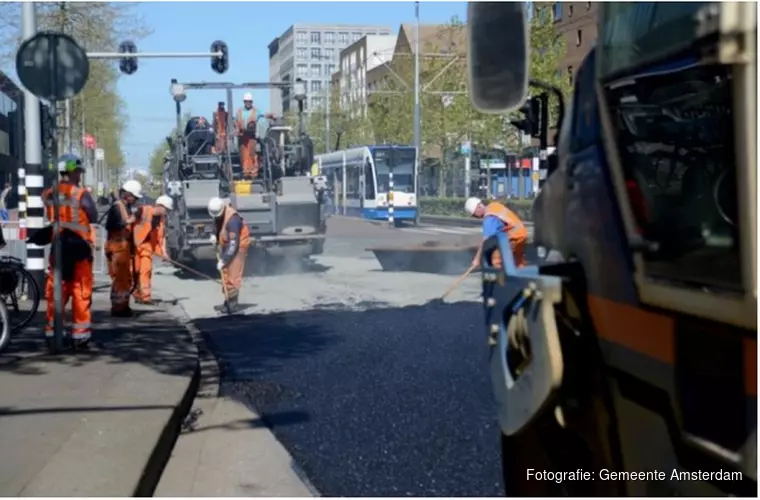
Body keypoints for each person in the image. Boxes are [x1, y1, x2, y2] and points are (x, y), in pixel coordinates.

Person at [40, 154, 98, 348]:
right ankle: (80, 335)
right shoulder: (81, 194)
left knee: (57, 289)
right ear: (72, 171)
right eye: (79, 171)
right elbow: (93, 215)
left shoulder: (49, 193)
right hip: (79, 248)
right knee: (81, 291)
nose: (80, 175)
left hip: (58, 247)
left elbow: (46, 207)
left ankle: (52, 330)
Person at [104, 179, 142, 316]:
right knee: (120, 279)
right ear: (127, 194)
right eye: (134, 197)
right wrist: (127, 221)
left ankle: (121, 305)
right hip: (117, 246)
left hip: (122, 246)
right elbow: (110, 225)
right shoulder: (117, 207)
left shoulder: (125, 207)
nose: (135, 200)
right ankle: (120, 308)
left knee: (124, 279)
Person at [207, 196, 251, 312]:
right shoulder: (221, 213)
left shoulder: (233, 220)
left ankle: (233, 304)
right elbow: (217, 223)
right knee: (226, 274)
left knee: (233, 275)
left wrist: (224, 260)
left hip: (238, 247)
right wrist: (214, 235)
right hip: (228, 246)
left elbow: (234, 244)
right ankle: (227, 302)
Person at [131, 194, 173, 304]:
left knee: (145, 270)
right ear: (160, 206)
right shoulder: (143, 211)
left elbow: (161, 237)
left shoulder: (161, 220)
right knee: (135, 271)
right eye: (167, 210)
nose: (167, 213)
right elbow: (129, 223)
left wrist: (164, 253)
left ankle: (145, 297)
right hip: (135, 246)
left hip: (147, 247)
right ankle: (137, 293)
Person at [465, 197, 528, 269]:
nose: (476, 217)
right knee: (517, 261)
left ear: (478, 207)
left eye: (474, 214)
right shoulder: (494, 206)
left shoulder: (489, 219)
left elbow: (485, 240)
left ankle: (500, 278)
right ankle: (520, 277)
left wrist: (477, 259)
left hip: (513, 235)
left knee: (496, 259)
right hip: (521, 232)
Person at [235, 93, 259, 179]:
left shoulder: (256, 111)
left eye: (249, 101)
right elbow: (236, 122)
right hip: (242, 137)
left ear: (252, 102)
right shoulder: (239, 111)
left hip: (252, 136)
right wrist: (237, 130)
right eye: (246, 101)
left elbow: (260, 120)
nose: (248, 103)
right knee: (244, 155)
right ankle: (245, 172)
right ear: (244, 102)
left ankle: (253, 173)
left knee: (252, 154)